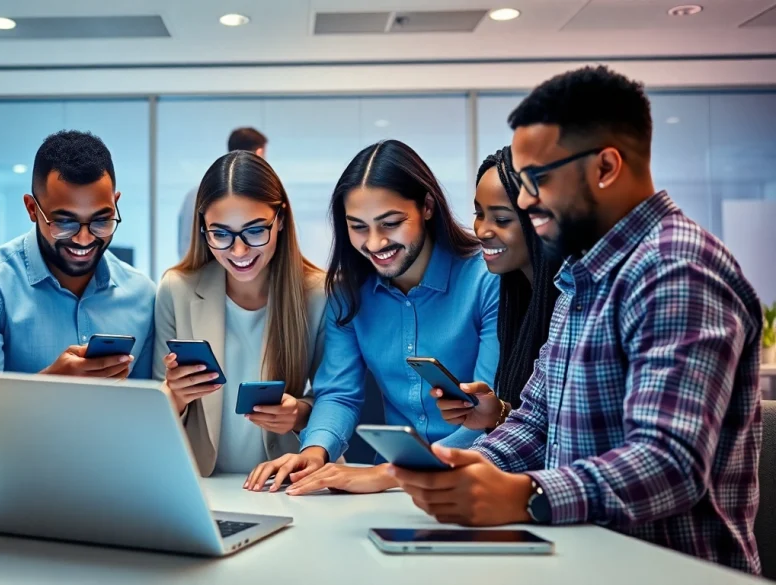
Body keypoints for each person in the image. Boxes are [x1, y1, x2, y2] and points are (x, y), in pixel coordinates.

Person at [389, 66, 764, 575]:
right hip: (585, 563)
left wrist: (527, 494)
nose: (523, 201)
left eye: (535, 180)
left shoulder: (676, 270)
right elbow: (537, 420)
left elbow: (668, 463)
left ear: (606, 166)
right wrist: (477, 465)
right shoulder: (581, 277)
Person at [246, 139, 500, 494]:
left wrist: (391, 474)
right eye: (359, 227)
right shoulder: (348, 293)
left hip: (479, 481)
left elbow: (493, 414)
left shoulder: (487, 279)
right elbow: (338, 393)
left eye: (391, 223)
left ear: (427, 206)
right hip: (395, 491)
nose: (375, 243)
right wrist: (315, 452)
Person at [155, 150, 326, 477]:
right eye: (220, 234)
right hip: (202, 485)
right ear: (203, 229)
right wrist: (174, 394)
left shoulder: (317, 294)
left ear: (280, 220)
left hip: (289, 482)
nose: (239, 251)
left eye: (254, 230)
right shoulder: (176, 289)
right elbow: (152, 410)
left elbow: (337, 398)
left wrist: (301, 413)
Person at [0, 130, 156, 377]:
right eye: (64, 223)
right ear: (32, 208)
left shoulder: (142, 295)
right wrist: (55, 384)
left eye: (101, 220)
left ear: (116, 204)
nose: (84, 239)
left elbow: (146, 406)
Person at [434, 146, 561, 428]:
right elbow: (538, 427)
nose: (482, 230)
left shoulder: (570, 305)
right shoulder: (516, 297)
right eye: (479, 213)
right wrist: (499, 414)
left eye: (501, 219)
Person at [178, 127, 268, 259]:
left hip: (197, 274)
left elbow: (184, 245)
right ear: (260, 153)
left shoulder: (194, 194)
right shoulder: (261, 195)